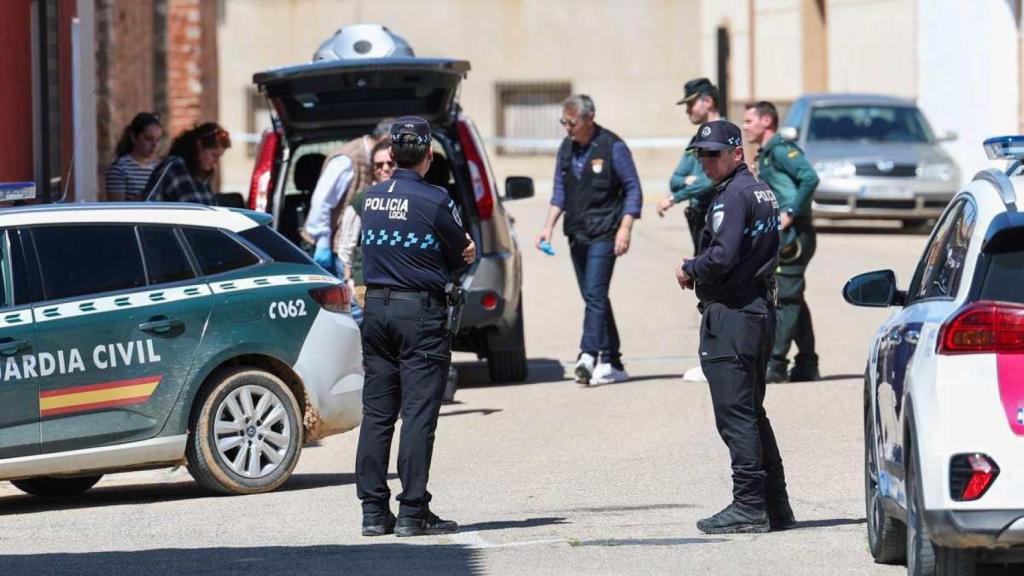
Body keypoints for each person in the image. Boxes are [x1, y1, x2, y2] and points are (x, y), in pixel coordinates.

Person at [355, 116, 475, 538]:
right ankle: (412, 511)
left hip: (377, 311)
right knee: (418, 415)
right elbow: (464, 251)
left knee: (377, 415)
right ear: (428, 156)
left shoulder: (369, 199)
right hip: (418, 314)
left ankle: (372, 512)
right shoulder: (435, 200)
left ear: (391, 155)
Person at [676, 119, 794, 534]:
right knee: (752, 412)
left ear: (736, 154)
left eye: (714, 154)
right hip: (758, 308)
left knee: (736, 415)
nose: (706, 162)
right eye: (701, 154)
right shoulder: (759, 190)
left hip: (734, 312)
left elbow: (722, 256)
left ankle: (748, 506)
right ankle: (776, 506)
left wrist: (691, 267)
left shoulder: (732, 197)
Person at [535, 94, 642, 386]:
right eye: (564, 122)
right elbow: (559, 191)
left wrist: (625, 228)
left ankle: (587, 356)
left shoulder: (612, 147)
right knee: (594, 297)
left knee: (594, 295)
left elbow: (633, 189)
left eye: (572, 122)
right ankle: (613, 362)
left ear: (589, 119)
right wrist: (548, 227)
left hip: (605, 232)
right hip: (577, 232)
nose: (567, 128)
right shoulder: (566, 149)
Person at [743, 101, 821, 383]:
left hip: (794, 236)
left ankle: (775, 364)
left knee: (785, 297)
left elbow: (809, 178)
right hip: (783, 234)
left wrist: (790, 212)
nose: (745, 126)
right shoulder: (766, 154)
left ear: (766, 122)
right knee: (792, 297)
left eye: (749, 120)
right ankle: (807, 363)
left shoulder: (780, 150)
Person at [304, 118, 392, 271]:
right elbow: (322, 202)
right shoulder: (347, 160)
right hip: (334, 248)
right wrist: (322, 243)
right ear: (385, 140)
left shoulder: (376, 159)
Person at [657, 78, 722, 254]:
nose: (687, 111)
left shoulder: (724, 135)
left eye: (691, 104)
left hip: (719, 218)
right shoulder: (696, 140)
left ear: (708, 102)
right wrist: (688, 179)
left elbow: (713, 180)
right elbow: (675, 180)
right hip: (698, 220)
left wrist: (674, 199)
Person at [337, 139, 394, 325]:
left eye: (390, 163)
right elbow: (347, 243)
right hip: (367, 282)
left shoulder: (413, 195)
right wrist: (349, 279)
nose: (384, 168)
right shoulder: (362, 199)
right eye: (378, 164)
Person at [143, 122, 231, 204]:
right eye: (214, 155)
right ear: (199, 145)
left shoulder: (201, 178)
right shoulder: (175, 166)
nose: (215, 162)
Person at [106, 112, 164, 201]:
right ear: (134, 137)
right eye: (148, 139)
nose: (154, 145)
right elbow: (117, 209)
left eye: (158, 140)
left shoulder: (160, 168)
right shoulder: (119, 168)